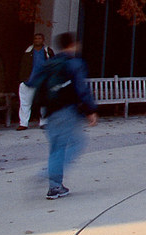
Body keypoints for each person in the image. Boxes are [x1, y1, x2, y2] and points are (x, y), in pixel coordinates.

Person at [25, 32, 98, 200]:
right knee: (77, 143)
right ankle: (47, 173)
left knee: (56, 148)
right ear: (74, 45)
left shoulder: (50, 63)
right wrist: (90, 110)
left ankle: (55, 187)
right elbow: (81, 89)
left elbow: (34, 82)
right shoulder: (74, 64)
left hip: (50, 111)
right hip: (67, 110)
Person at [17, 33, 54, 130]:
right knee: (25, 103)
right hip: (28, 81)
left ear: (43, 40)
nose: (37, 40)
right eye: (36, 38)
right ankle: (23, 123)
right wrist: (22, 79)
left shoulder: (48, 51)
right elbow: (21, 66)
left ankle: (44, 122)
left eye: (40, 38)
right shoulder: (27, 51)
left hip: (43, 81)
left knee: (44, 103)